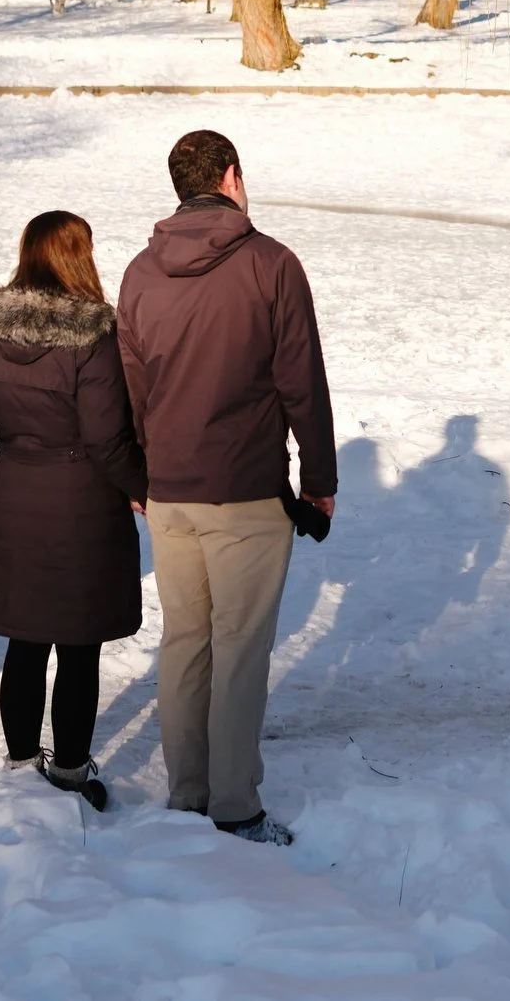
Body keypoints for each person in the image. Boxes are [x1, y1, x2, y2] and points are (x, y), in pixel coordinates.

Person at [117, 130, 334, 846]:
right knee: (238, 648)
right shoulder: (271, 264)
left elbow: (133, 387)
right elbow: (301, 379)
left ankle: (187, 794)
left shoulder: (141, 272)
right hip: (243, 489)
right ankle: (234, 806)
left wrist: (142, 474)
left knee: (185, 641)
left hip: (169, 491)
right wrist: (320, 479)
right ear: (233, 177)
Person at [0, 211, 149, 812]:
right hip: (80, 501)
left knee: (24, 636)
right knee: (77, 643)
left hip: (16, 490)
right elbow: (105, 434)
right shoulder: (92, 334)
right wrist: (142, 487)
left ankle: (22, 760)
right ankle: (70, 767)